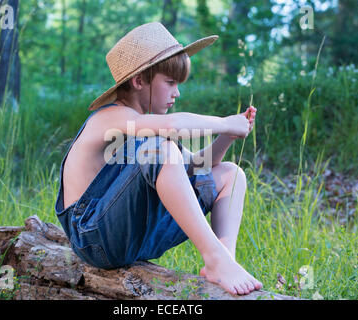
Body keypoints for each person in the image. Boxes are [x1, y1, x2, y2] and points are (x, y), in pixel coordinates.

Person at [55, 22, 262, 296]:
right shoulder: (111, 117)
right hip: (94, 237)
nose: (177, 93)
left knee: (230, 174)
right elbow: (173, 127)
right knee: (159, 150)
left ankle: (224, 260)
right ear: (139, 81)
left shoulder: (151, 129)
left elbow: (200, 166)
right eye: (171, 82)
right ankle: (215, 258)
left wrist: (229, 136)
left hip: (135, 235)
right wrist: (224, 123)